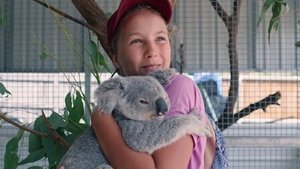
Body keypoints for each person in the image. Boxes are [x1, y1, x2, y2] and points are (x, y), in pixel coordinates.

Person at [63, 0, 227, 168]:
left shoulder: (178, 87)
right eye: (136, 41)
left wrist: (102, 124)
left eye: (160, 38)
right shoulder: (117, 105)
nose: (151, 51)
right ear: (116, 58)